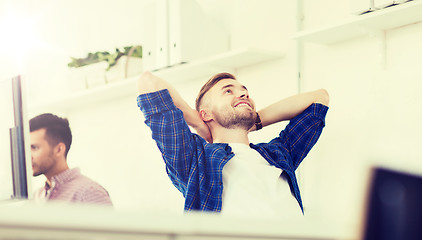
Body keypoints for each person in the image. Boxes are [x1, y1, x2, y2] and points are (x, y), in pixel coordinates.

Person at [136, 71, 329, 217]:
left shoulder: (278, 153)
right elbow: (148, 82)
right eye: (228, 91)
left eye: (245, 92)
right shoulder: (195, 158)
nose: (243, 95)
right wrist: (197, 122)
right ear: (206, 113)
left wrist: (255, 120)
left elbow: (319, 99)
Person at [29, 113, 113, 206]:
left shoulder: (89, 192)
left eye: (34, 147)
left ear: (59, 150)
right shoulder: (37, 196)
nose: (28, 156)